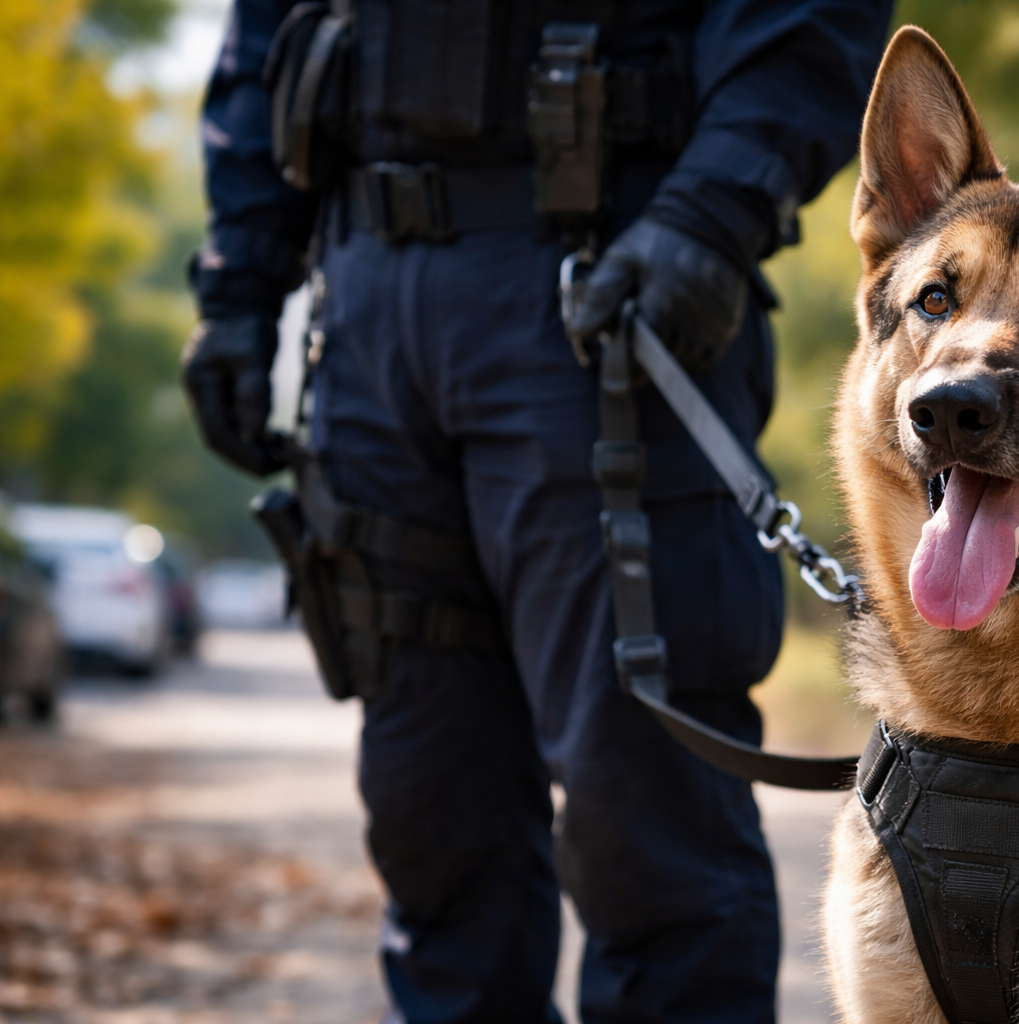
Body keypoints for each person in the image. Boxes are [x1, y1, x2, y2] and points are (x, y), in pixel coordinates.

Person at [180, 1, 892, 1021]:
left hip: (609, 279)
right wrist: (238, 288)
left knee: (646, 816)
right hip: (370, 306)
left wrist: (715, 208)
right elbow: (263, 38)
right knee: (431, 808)